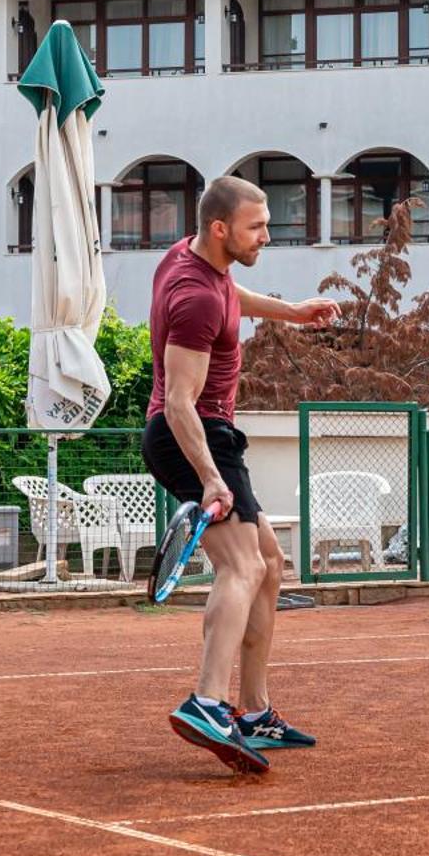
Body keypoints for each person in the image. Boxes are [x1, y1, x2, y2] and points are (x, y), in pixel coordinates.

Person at [143, 176, 338, 774]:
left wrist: (294, 312)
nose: (267, 236)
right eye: (257, 227)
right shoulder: (194, 296)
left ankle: (253, 712)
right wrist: (210, 478)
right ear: (222, 228)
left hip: (216, 436)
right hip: (192, 437)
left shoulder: (198, 259)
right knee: (243, 565)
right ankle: (206, 701)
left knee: (270, 565)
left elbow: (234, 294)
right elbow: (179, 402)